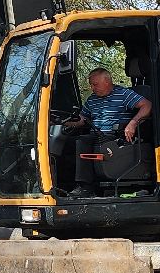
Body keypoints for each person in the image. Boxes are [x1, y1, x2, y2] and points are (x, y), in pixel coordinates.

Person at [57, 68, 151, 196]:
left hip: (114, 137)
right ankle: (63, 184)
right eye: (91, 85)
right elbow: (82, 120)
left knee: (82, 142)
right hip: (95, 135)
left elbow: (147, 105)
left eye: (95, 84)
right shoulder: (92, 99)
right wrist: (61, 121)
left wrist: (133, 123)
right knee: (65, 142)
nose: (92, 88)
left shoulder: (123, 94)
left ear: (107, 81)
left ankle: (85, 187)